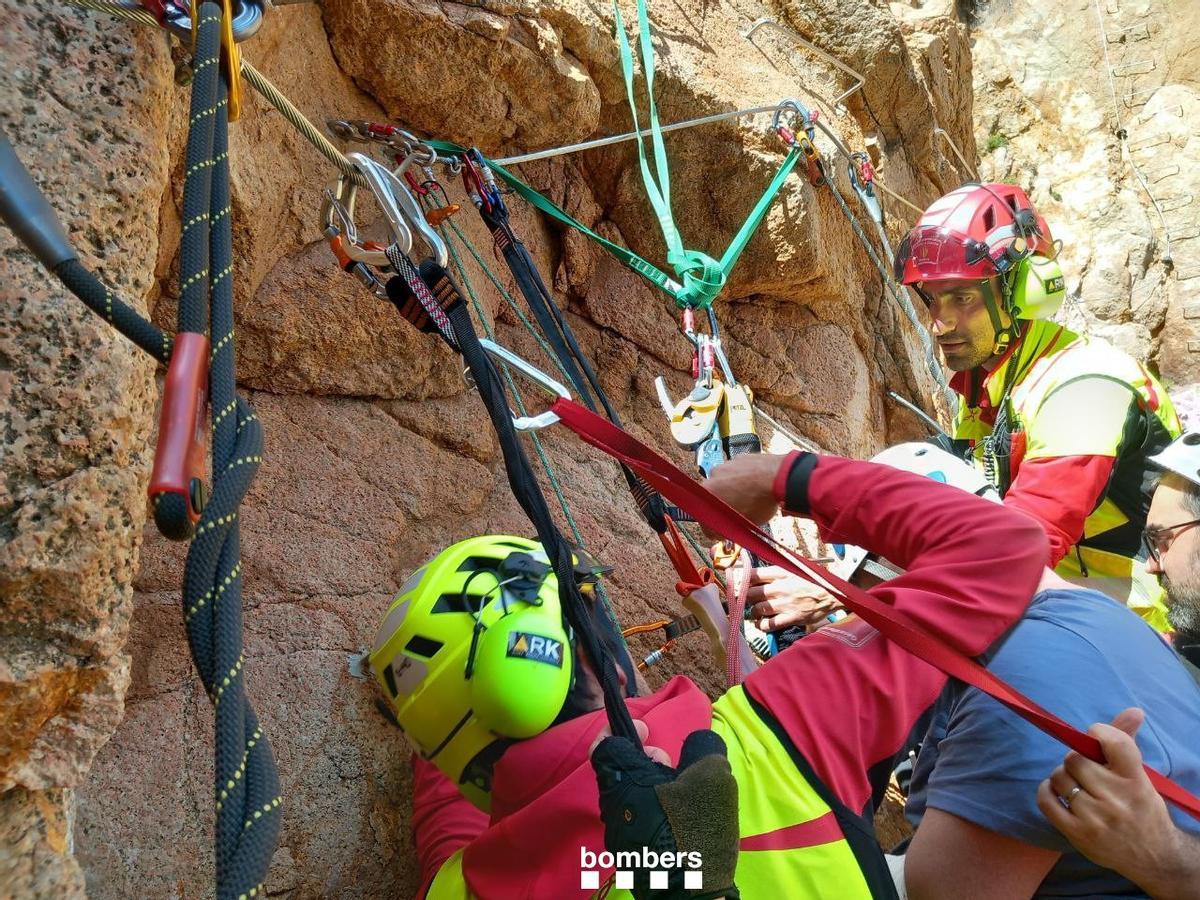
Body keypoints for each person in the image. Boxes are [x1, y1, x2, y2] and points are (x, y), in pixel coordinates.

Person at [368, 449, 1048, 898]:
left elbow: (451, 814)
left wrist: (442, 704)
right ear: (604, 653)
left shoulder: (464, 885)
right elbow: (1003, 545)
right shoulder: (774, 734)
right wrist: (782, 478)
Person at [894, 182, 1181, 630]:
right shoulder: (993, 380)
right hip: (1065, 605)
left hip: (1139, 628)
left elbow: (1017, 551)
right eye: (932, 297)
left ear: (1023, 291)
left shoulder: (1084, 387)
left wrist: (859, 586)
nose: (939, 323)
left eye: (962, 297)